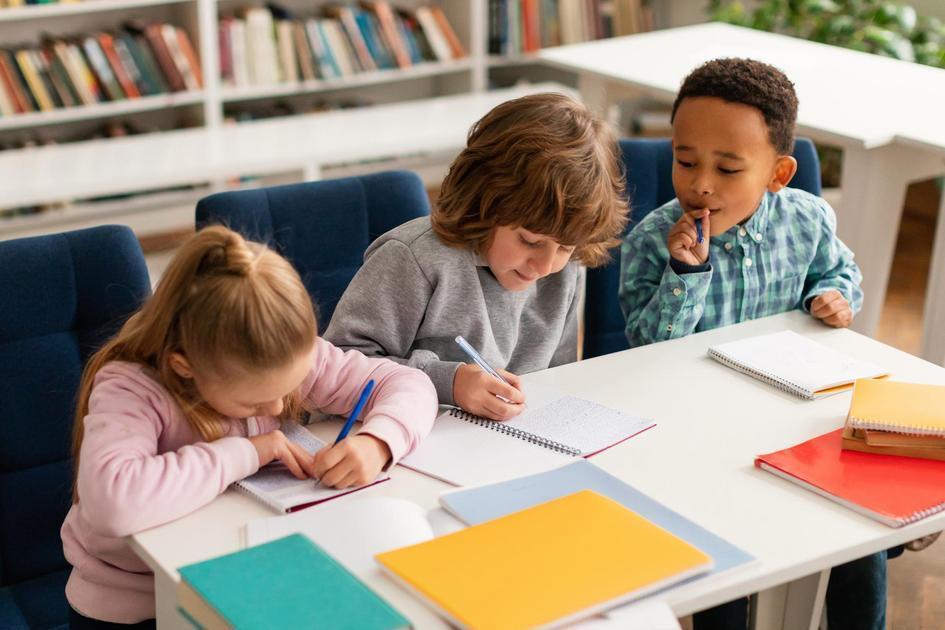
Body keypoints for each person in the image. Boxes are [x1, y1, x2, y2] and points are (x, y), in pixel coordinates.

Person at [61, 225, 437, 628]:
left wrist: (378, 442)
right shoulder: (132, 387)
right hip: (137, 601)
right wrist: (249, 451)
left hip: (248, 573)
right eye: (254, 403)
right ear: (184, 365)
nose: (277, 407)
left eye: (287, 389)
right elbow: (112, 503)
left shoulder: (281, 352)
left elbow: (409, 383)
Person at [617, 57, 882, 630]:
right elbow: (646, 348)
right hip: (696, 434)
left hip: (791, 414)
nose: (701, 184)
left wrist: (834, 297)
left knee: (861, 531)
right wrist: (685, 274)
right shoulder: (649, 242)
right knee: (724, 561)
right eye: (685, 162)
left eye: (728, 168)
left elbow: (839, 273)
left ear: (777, 174)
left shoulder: (808, 219)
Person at [325, 92, 629, 420]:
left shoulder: (566, 266)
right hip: (404, 440)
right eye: (529, 241)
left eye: (565, 248)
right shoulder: (415, 260)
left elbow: (556, 379)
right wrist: (449, 383)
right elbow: (334, 367)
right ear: (485, 202)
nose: (545, 266)